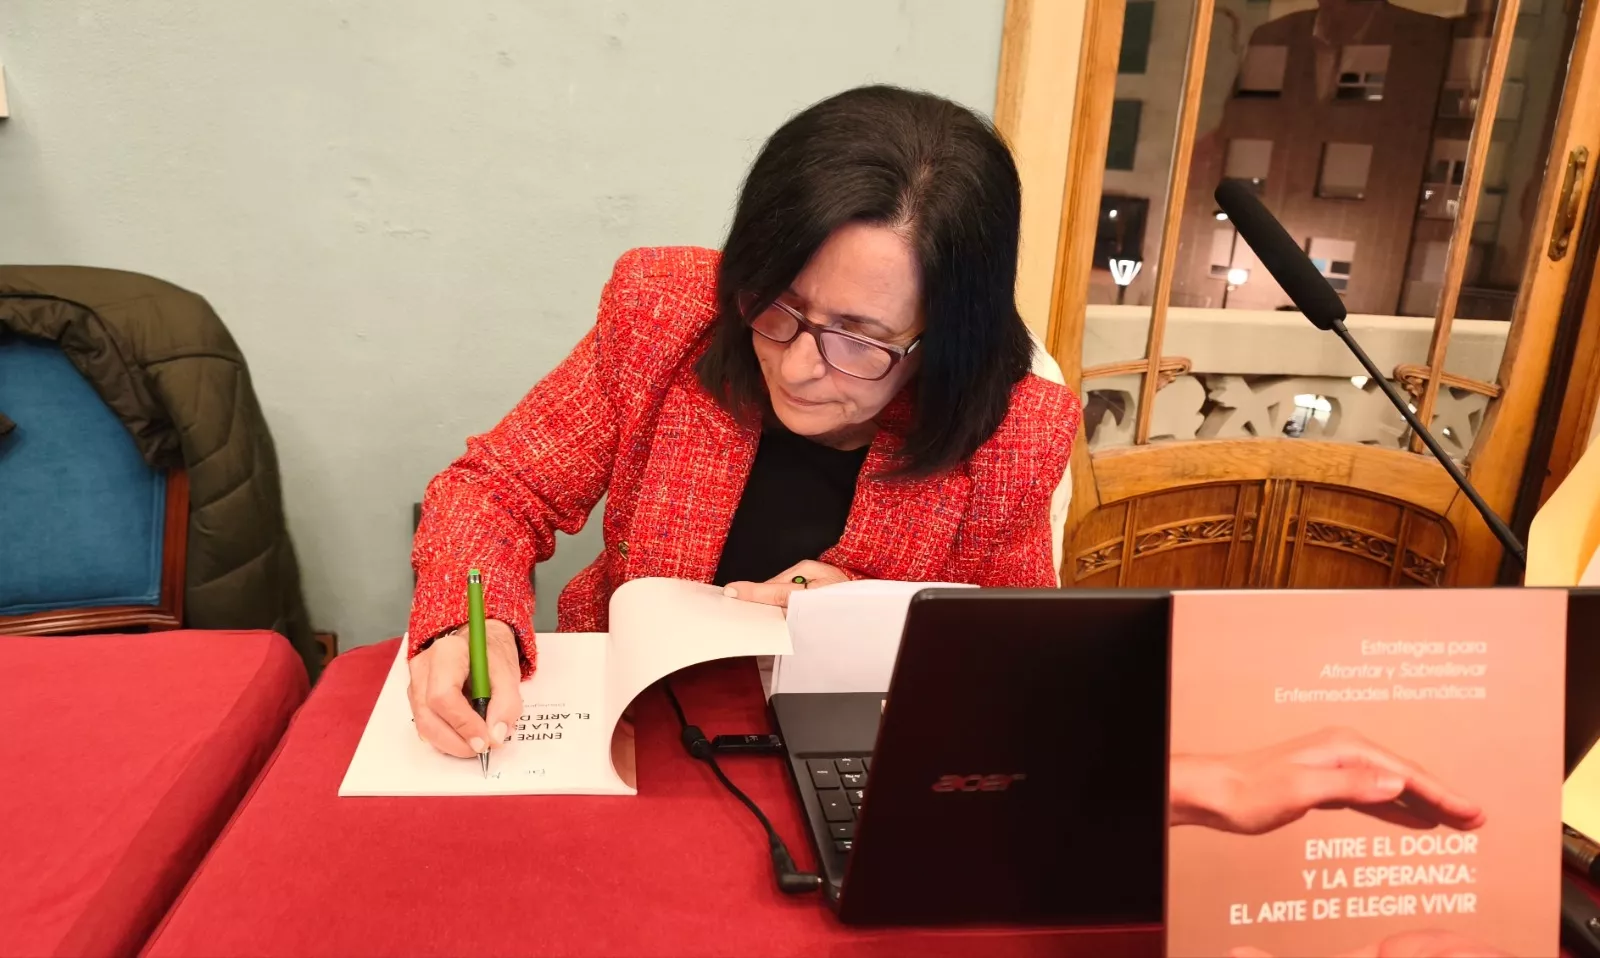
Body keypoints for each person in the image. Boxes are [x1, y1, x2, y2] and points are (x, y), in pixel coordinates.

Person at [404, 85, 1081, 759]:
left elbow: (1007, 659)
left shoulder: (1013, 436)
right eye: (778, 304)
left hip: (842, 757)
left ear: (948, 338)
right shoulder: (663, 315)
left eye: (860, 340)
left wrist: (868, 617)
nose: (796, 368)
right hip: (635, 729)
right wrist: (473, 626)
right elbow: (496, 489)